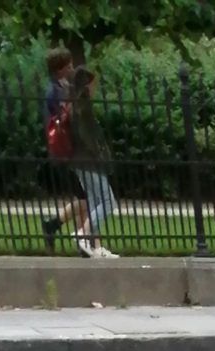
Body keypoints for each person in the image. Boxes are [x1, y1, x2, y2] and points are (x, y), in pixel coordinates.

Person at [41, 47, 89, 253]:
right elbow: (58, 121)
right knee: (87, 199)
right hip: (65, 151)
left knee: (83, 197)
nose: (71, 68)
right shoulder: (53, 92)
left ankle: (83, 243)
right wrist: (72, 105)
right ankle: (54, 224)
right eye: (68, 66)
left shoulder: (64, 87)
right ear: (59, 69)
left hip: (74, 148)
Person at [67, 65, 118, 258]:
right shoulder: (83, 107)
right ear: (86, 85)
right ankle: (84, 233)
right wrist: (99, 154)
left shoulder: (74, 104)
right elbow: (87, 136)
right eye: (93, 84)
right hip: (89, 162)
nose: (95, 88)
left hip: (80, 162)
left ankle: (93, 246)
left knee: (96, 202)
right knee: (108, 202)